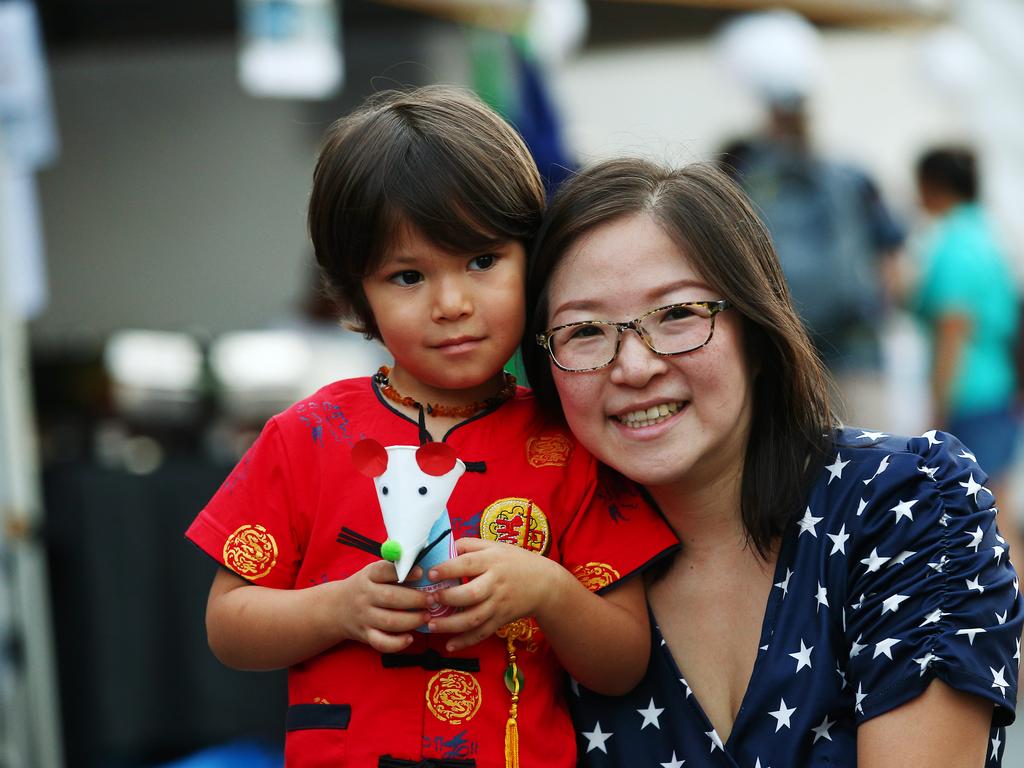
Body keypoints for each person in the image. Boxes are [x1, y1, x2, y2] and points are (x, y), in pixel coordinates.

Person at [185, 87, 678, 768]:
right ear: (357, 292)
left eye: (482, 261)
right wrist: (337, 608)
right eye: (408, 275)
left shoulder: (573, 443)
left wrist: (547, 590)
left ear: (532, 260)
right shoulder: (308, 436)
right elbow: (227, 627)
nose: (451, 303)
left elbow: (624, 662)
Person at [521, 158, 1022, 766]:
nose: (633, 366)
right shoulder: (529, 561)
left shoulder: (906, 506)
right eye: (583, 331)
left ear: (756, 333)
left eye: (678, 315)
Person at [715, 10, 905, 430]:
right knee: (874, 466)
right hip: (856, 346)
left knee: (796, 471)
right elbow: (894, 261)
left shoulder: (739, 172)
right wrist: (870, 307)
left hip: (778, 349)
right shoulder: (852, 175)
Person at [909, 146, 1021, 525]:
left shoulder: (953, 246)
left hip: (969, 398)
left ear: (932, 186)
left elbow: (953, 330)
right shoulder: (989, 236)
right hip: (1000, 391)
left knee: (981, 525)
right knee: (1000, 513)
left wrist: (939, 408)